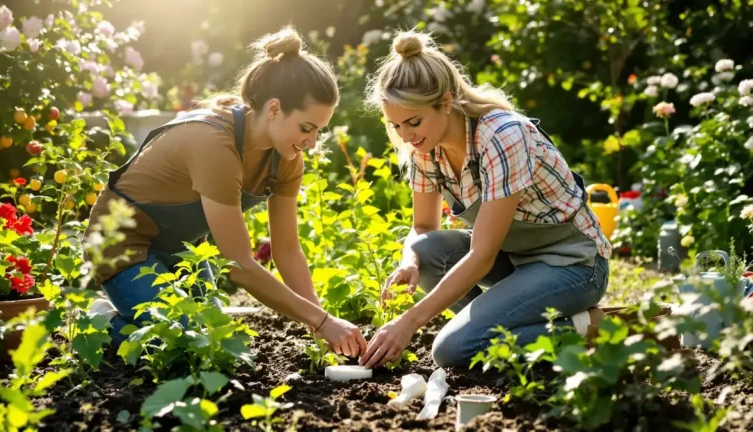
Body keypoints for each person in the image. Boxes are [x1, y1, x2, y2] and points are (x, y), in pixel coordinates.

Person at [85, 26, 366, 358]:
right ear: (274, 109)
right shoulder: (214, 144)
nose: (312, 142)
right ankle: (97, 325)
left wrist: (320, 324)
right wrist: (323, 321)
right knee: (183, 345)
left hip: (184, 251)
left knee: (213, 342)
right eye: (306, 128)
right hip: (123, 245)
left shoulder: (286, 158)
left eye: (319, 131)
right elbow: (238, 264)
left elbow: (288, 250)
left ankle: (131, 319)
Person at [359, 30, 611, 369]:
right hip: (515, 260)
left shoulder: (501, 136)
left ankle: (590, 327)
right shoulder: (425, 149)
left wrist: (409, 322)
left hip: (573, 264)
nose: (405, 136)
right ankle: (492, 331)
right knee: (427, 254)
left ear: (445, 103)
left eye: (413, 122)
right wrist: (409, 261)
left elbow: (482, 256)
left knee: (451, 350)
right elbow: (422, 228)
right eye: (396, 125)